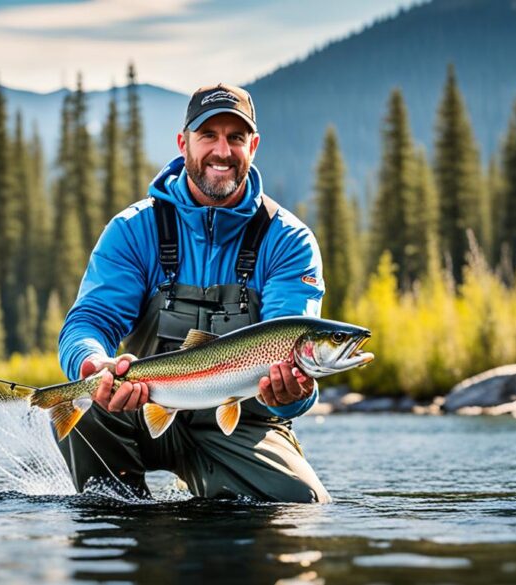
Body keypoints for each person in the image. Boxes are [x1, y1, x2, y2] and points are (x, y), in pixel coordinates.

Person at [56, 83, 329, 503]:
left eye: (235, 138)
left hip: (243, 428)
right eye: (208, 136)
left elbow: (288, 347)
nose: (222, 151)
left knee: (300, 503)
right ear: (183, 143)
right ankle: (117, 524)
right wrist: (94, 361)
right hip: (142, 408)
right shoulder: (134, 230)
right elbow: (89, 321)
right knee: (91, 408)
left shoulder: (288, 240)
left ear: (253, 146)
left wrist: (293, 397)